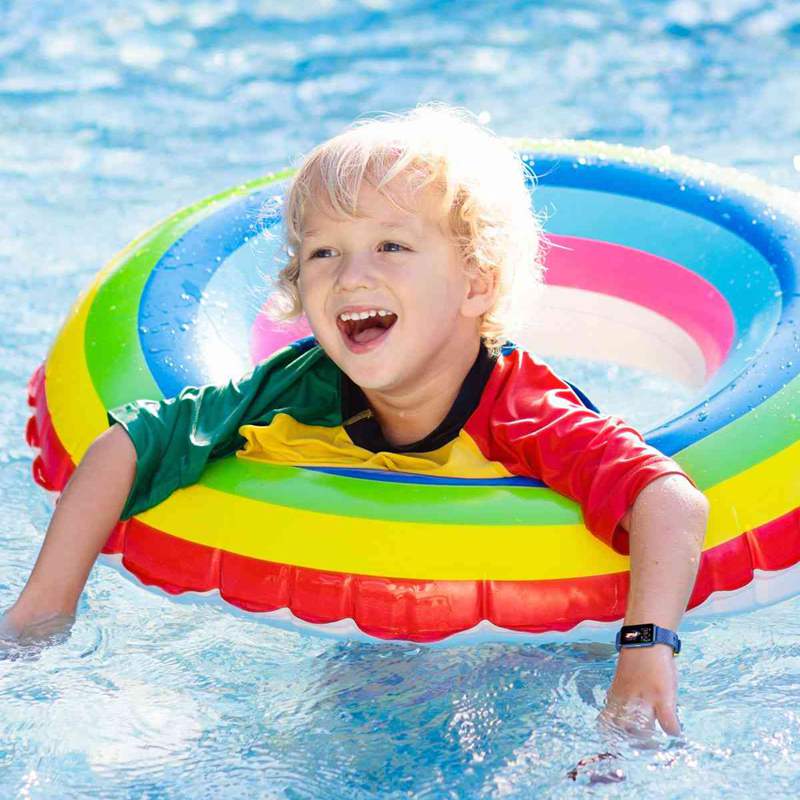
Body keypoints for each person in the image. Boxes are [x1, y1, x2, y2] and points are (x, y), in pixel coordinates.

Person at [1, 103, 708, 736]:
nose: (351, 276)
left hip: (533, 645)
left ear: (477, 283)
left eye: (391, 246)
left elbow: (668, 499)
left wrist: (645, 650)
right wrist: (40, 616)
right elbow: (132, 442)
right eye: (323, 252)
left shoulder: (522, 408)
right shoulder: (303, 383)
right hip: (374, 633)